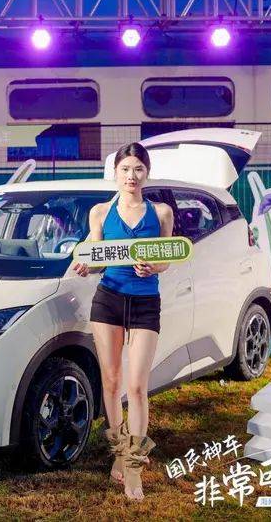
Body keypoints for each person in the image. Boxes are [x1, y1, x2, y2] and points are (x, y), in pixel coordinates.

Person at [73, 142, 174, 500]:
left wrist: (153, 267)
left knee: (137, 387)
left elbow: (166, 258)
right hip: (109, 300)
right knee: (112, 383)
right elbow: (96, 256)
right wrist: (86, 266)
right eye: (125, 169)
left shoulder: (161, 212)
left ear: (147, 173)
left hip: (145, 302)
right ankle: (119, 453)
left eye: (138, 169)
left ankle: (134, 469)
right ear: (115, 173)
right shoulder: (100, 213)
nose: (132, 176)